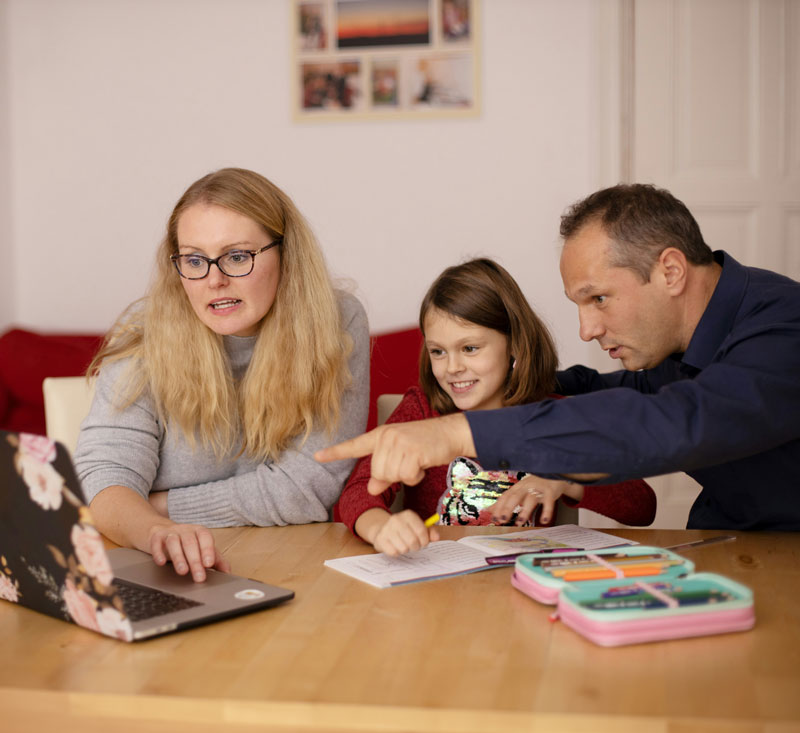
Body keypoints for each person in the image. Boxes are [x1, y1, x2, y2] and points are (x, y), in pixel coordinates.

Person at [317, 184, 800, 532]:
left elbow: (679, 420)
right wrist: (500, 387)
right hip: (728, 541)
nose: (586, 330)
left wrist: (459, 431)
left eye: (599, 299)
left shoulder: (784, 327)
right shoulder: (668, 350)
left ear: (670, 271)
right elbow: (590, 390)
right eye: (578, 305)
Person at [74, 167, 369, 581]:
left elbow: (310, 488)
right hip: (162, 568)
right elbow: (103, 481)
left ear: (286, 254)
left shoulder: (336, 321)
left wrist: (157, 505)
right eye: (194, 260)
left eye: (236, 256)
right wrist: (157, 530)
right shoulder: (146, 333)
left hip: (293, 567)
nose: (214, 280)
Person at [337, 259, 656, 555]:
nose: (452, 367)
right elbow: (356, 493)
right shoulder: (421, 410)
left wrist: (567, 477)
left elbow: (642, 506)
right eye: (438, 352)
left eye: (470, 348)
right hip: (437, 591)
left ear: (514, 344)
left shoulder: (553, 418)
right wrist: (381, 527)